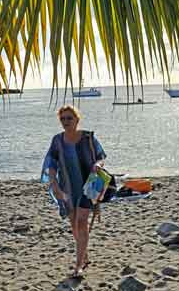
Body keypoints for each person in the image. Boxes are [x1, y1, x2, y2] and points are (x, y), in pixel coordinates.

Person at [41, 105, 107, 277]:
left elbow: (101, 157)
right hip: (68, 187)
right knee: (74, 225)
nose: (66, 122)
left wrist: (97, 165)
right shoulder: (57, 140)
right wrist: (53, 183)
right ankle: (84, 254)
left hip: (89, 185)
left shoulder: (88, 138)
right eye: (62, 119)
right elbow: (52, 163)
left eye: (69, 118)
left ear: (77, 119)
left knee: (81, 222)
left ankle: (78, 265)